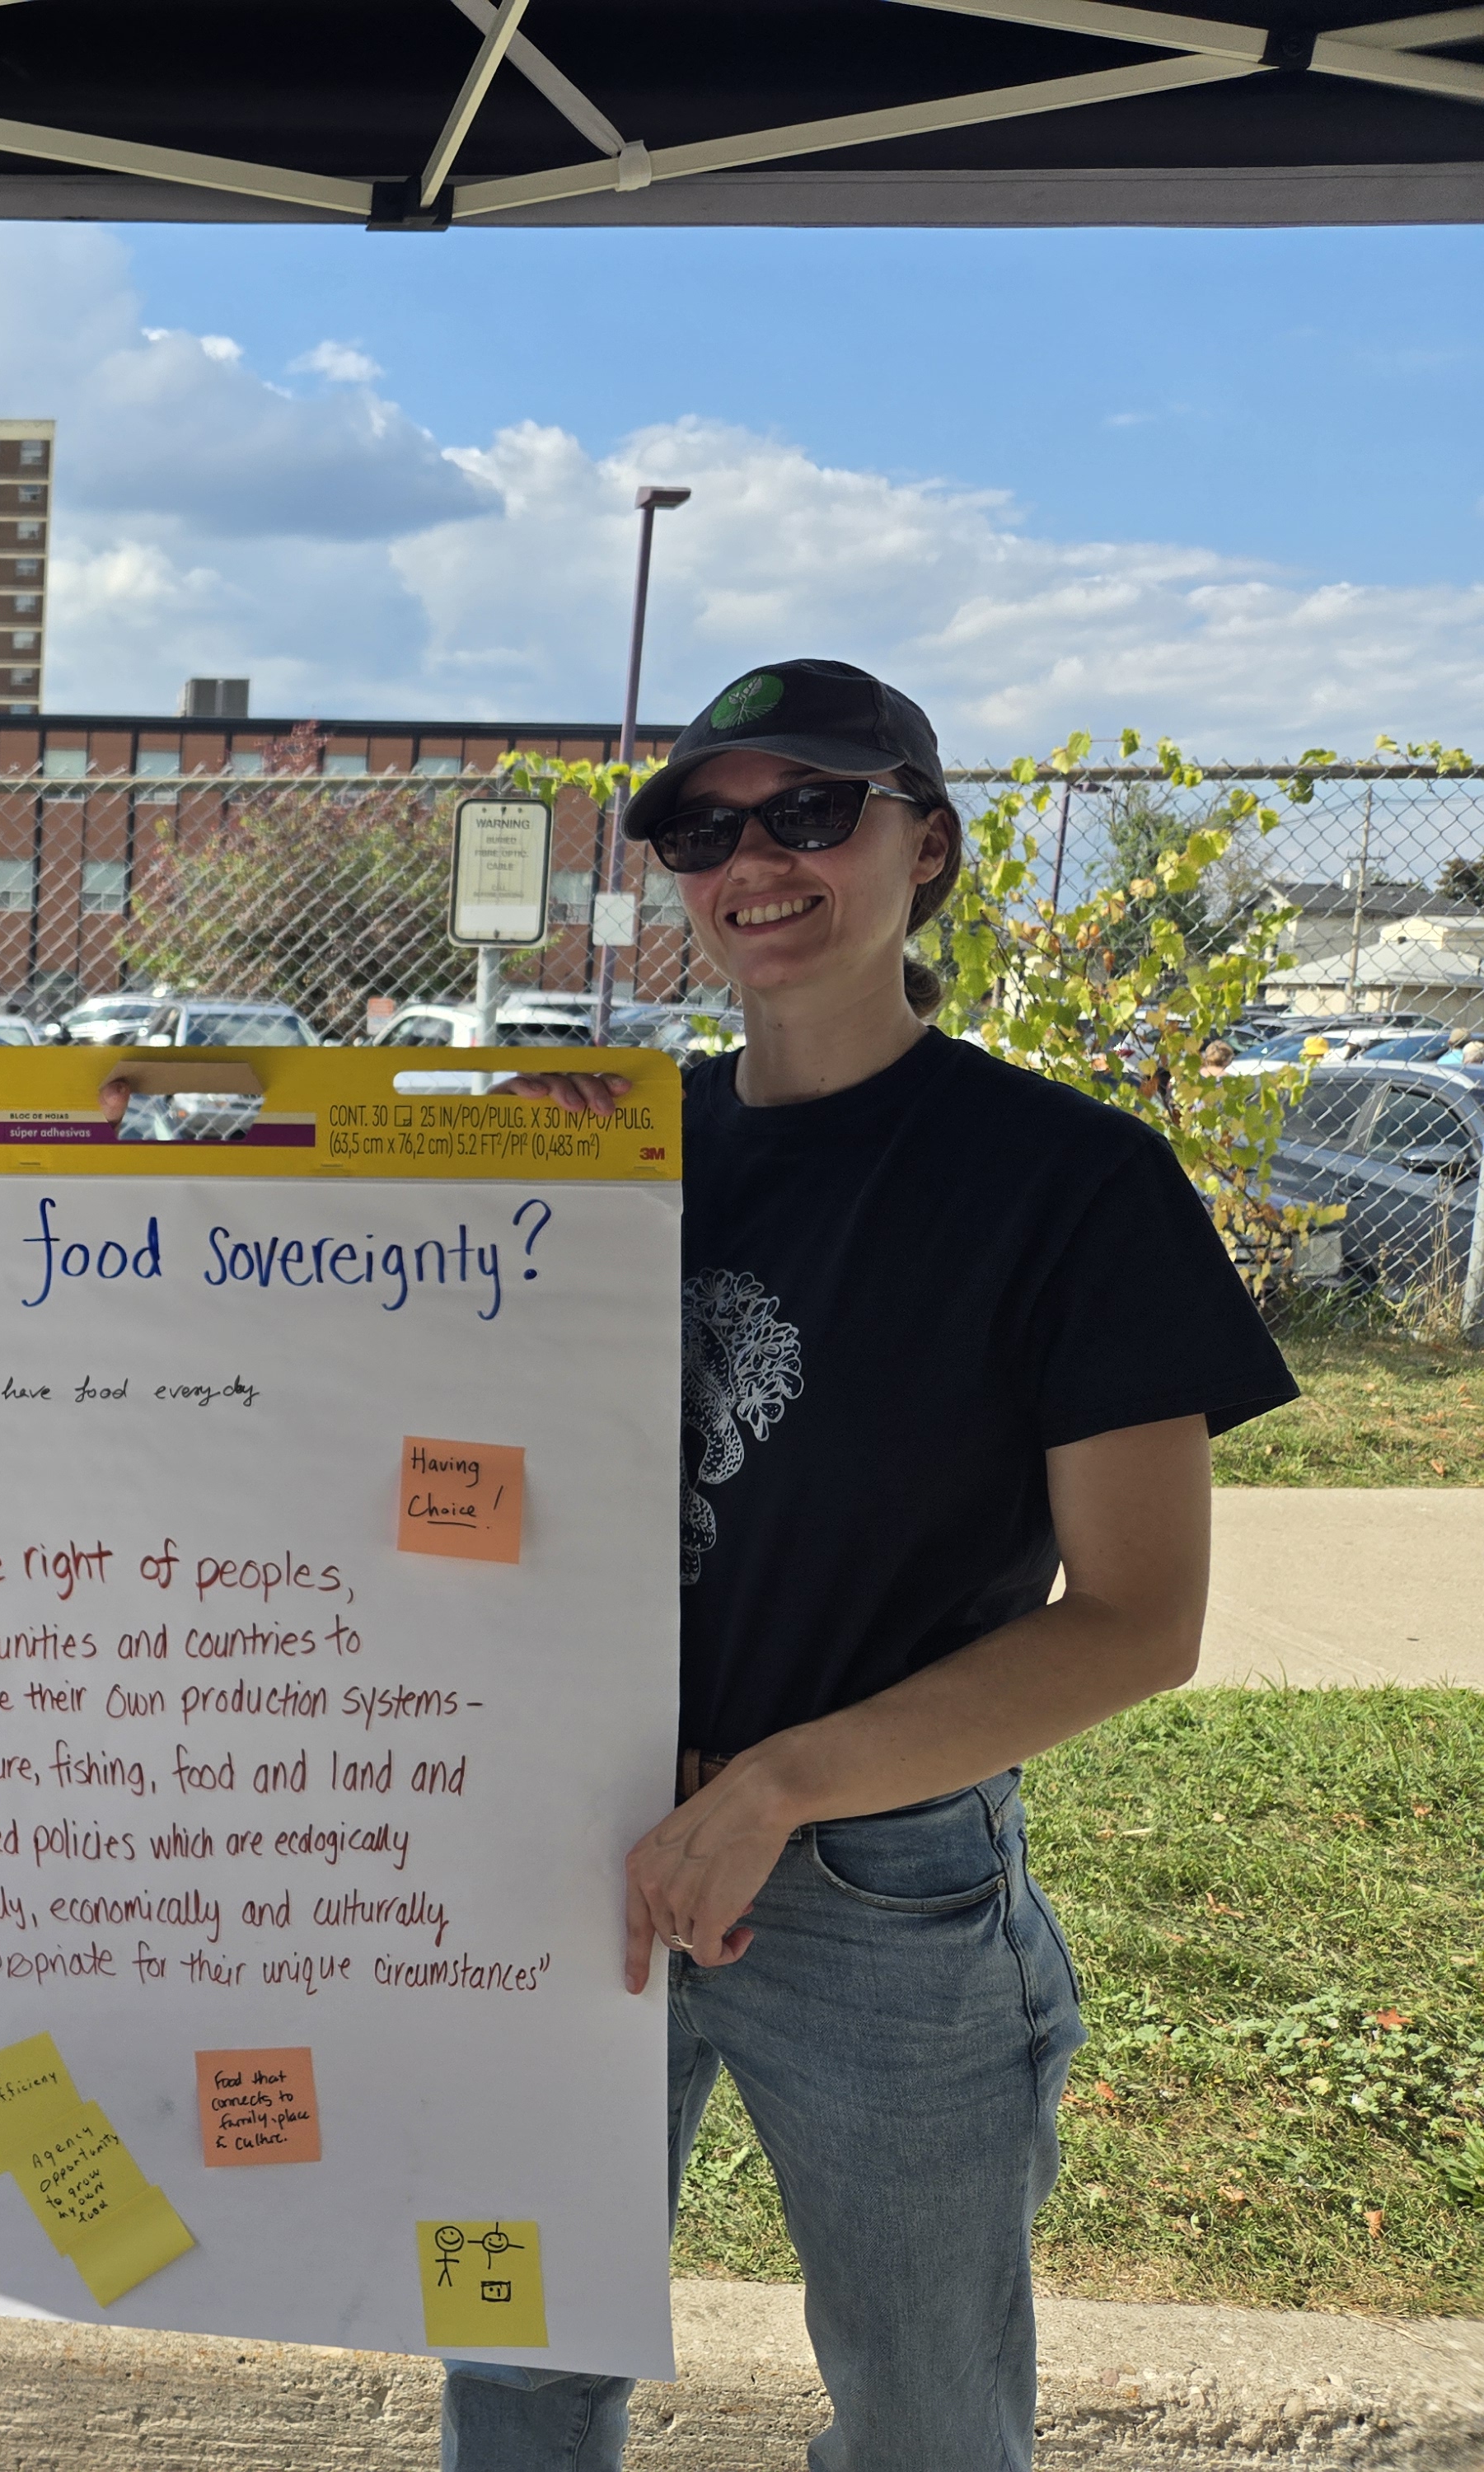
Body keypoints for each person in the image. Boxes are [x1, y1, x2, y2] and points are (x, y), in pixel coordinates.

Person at [452, 659, 1294, 2468]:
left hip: (882, 1892)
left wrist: (781, 1783)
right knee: (516, 2360)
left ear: (928, 847)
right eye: (701, 826)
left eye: (811, 811)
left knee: (925, 2411)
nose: (752, 860)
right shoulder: (596, 1158)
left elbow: (1136, 1624)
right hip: (566, 1847)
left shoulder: (1068, 1184)